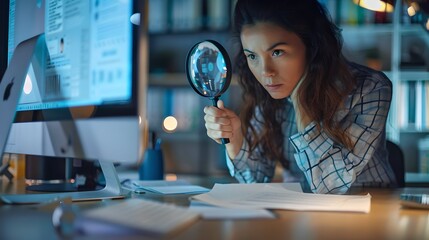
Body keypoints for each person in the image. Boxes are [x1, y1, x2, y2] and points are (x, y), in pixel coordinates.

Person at [203, 0, 396, 194]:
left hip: (372, 208)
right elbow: (255, 179)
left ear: (312, 46)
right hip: (301, 215)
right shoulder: (268, 95)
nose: (265, 72)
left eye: (277, 52)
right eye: (252, 56)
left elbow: (330, 188)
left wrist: (302, 102)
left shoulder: (370, 87)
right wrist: (235, 137)